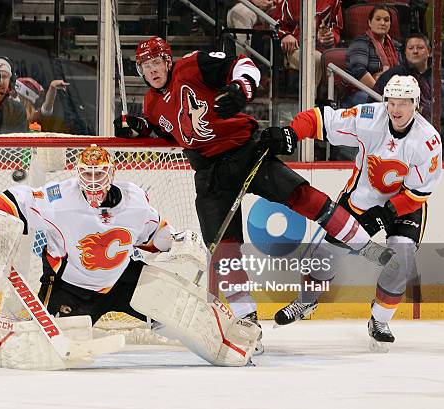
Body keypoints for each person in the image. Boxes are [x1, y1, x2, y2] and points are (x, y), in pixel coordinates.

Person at [113, 36, 394, 339]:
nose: (152, 69)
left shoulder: (195, 65)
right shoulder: (151, 103)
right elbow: (174, 132)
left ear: (168, 61)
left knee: (305, 197)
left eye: (157, 62)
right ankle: (249, 325)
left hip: (246, 151)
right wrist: (142, 127)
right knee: (224, 252)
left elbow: (246, 66)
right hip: (210, 174)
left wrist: (239, 88)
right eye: (146, 65)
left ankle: (366, 246)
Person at [0, 145, 261, 370]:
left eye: (99, 174)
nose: (93, 181)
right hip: (70, 288)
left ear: (111, 173)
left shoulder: (135, 202)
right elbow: (11, 199)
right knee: (45, 348)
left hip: (124, 278)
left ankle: (231, 343)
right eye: (87, 174)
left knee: (181, 316)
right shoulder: (59, 199)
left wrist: (179, 242)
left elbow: (156, 237)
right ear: (77, 173)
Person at [273, 75, 442, 350]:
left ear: (416, 105)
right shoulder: (368, 118)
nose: (396, 109)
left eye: (404, 103)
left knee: (402, 258)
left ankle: (379, 319)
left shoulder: (428, 141)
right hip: (361, 199)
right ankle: (306, 301)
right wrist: (293, 132)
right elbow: (319, 119)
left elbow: (418, 194)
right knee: (327, 255)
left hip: (404, 205)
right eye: (392, 102)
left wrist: (387, 214)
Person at [371, 33, 444, 160]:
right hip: (403, 132)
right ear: (405, 53)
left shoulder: (443, 75)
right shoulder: (393, 76)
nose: (415, 51)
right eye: (411, 48)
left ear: (429, 52)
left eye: (420, 48)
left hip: (442, 133)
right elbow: (375, 104)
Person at [276, 0, 343, 87]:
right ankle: (311, 99)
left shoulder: (334, 1)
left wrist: (331, 36)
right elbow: (275, 23)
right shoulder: (289, 1)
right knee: (316, 59)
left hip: (323, 48)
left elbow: (335, 27)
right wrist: (285, 35)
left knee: (344, 58)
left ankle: (335, 98)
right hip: (296, 47)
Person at [345, 5, 402, 107]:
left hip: (391, 92)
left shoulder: (396, 46)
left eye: (386, 20)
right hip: (362, 92)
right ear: (370, 23)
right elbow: (359, 71)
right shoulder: (361, 42)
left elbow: (403, 71)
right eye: (378, 19)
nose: (382, 23)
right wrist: (381, 94)